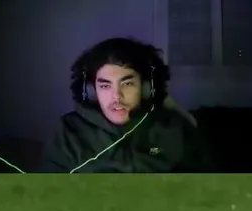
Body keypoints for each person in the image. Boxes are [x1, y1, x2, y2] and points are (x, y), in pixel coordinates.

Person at [40, 37, 211, 173]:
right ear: (91, 91)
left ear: (147, 88)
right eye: (105, 86)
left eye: (127, 83)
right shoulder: (69, 132)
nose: (117, 96)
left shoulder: (174, 128)